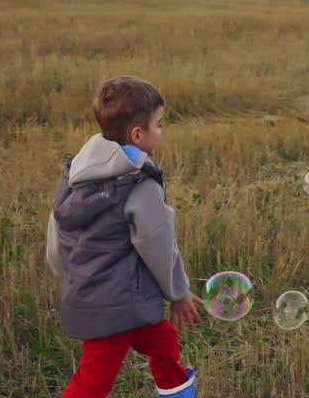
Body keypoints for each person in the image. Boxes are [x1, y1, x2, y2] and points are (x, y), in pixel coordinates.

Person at [46, 76, 201, 398]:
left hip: (105, 294)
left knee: (162, 342)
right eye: (158, 124)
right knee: (94, 382)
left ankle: (177, 391)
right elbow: (158, 244)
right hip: (115, 302)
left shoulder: (75, 174)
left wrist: (74, 279)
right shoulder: (140, 183)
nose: (160, 131)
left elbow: (55, 241)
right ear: (137, 134)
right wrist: (178, 292)